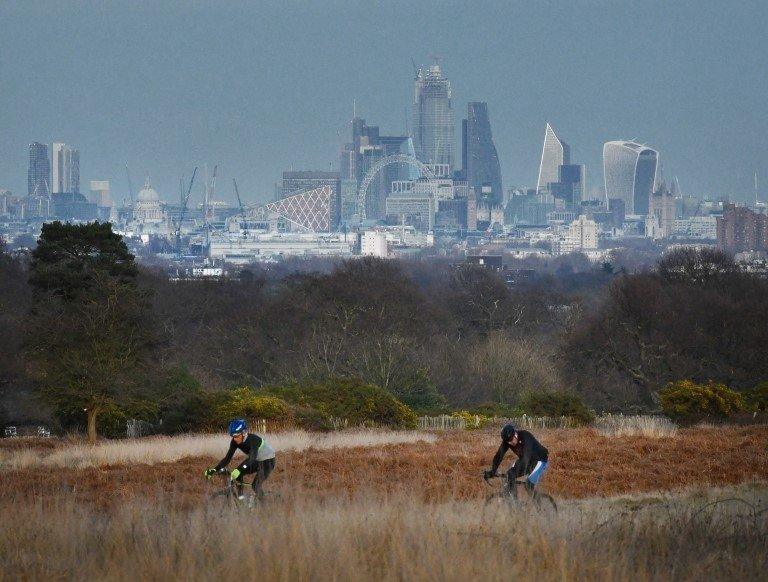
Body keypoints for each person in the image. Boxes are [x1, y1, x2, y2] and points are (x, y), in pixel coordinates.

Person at [204, 419, 276, 499]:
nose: (235, 439)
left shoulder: (253, 439)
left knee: (255, 485)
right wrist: (214, 470)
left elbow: (252, 458)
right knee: (238, 474)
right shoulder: (235, 441)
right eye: (233, 436)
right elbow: (227, 458)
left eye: (237, 436)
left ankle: (265, 508)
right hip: (257, 460)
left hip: (268, 461)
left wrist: (239, 469)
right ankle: (241, 498)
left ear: (244, 433)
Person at [483, 423, 549, 497]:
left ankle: (539, 507)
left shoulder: (525, 436)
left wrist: (515, 470)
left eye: (511, 439)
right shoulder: (507, 441)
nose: (510, 442)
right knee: (509, 475)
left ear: (515, 434)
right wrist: (493, 471)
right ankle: (515, 504)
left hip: (540, 460)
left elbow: (526, 458)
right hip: (526, 460)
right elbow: (499, 456)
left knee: (528, 485)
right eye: (507, 441)